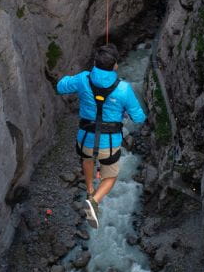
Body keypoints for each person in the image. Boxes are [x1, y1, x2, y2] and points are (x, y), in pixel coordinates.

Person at [56, 43, 146, 228]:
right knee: (110, 177)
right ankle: (94, 200)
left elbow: (61, 86)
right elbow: (138, 117)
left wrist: (74, 80)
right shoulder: (123, 89)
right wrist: (124, 111)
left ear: (95, 63)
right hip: (109, 143)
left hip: (85, 139)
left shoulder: (83, 79)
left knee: (87, 159)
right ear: (115, 66)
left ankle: (89, 190)